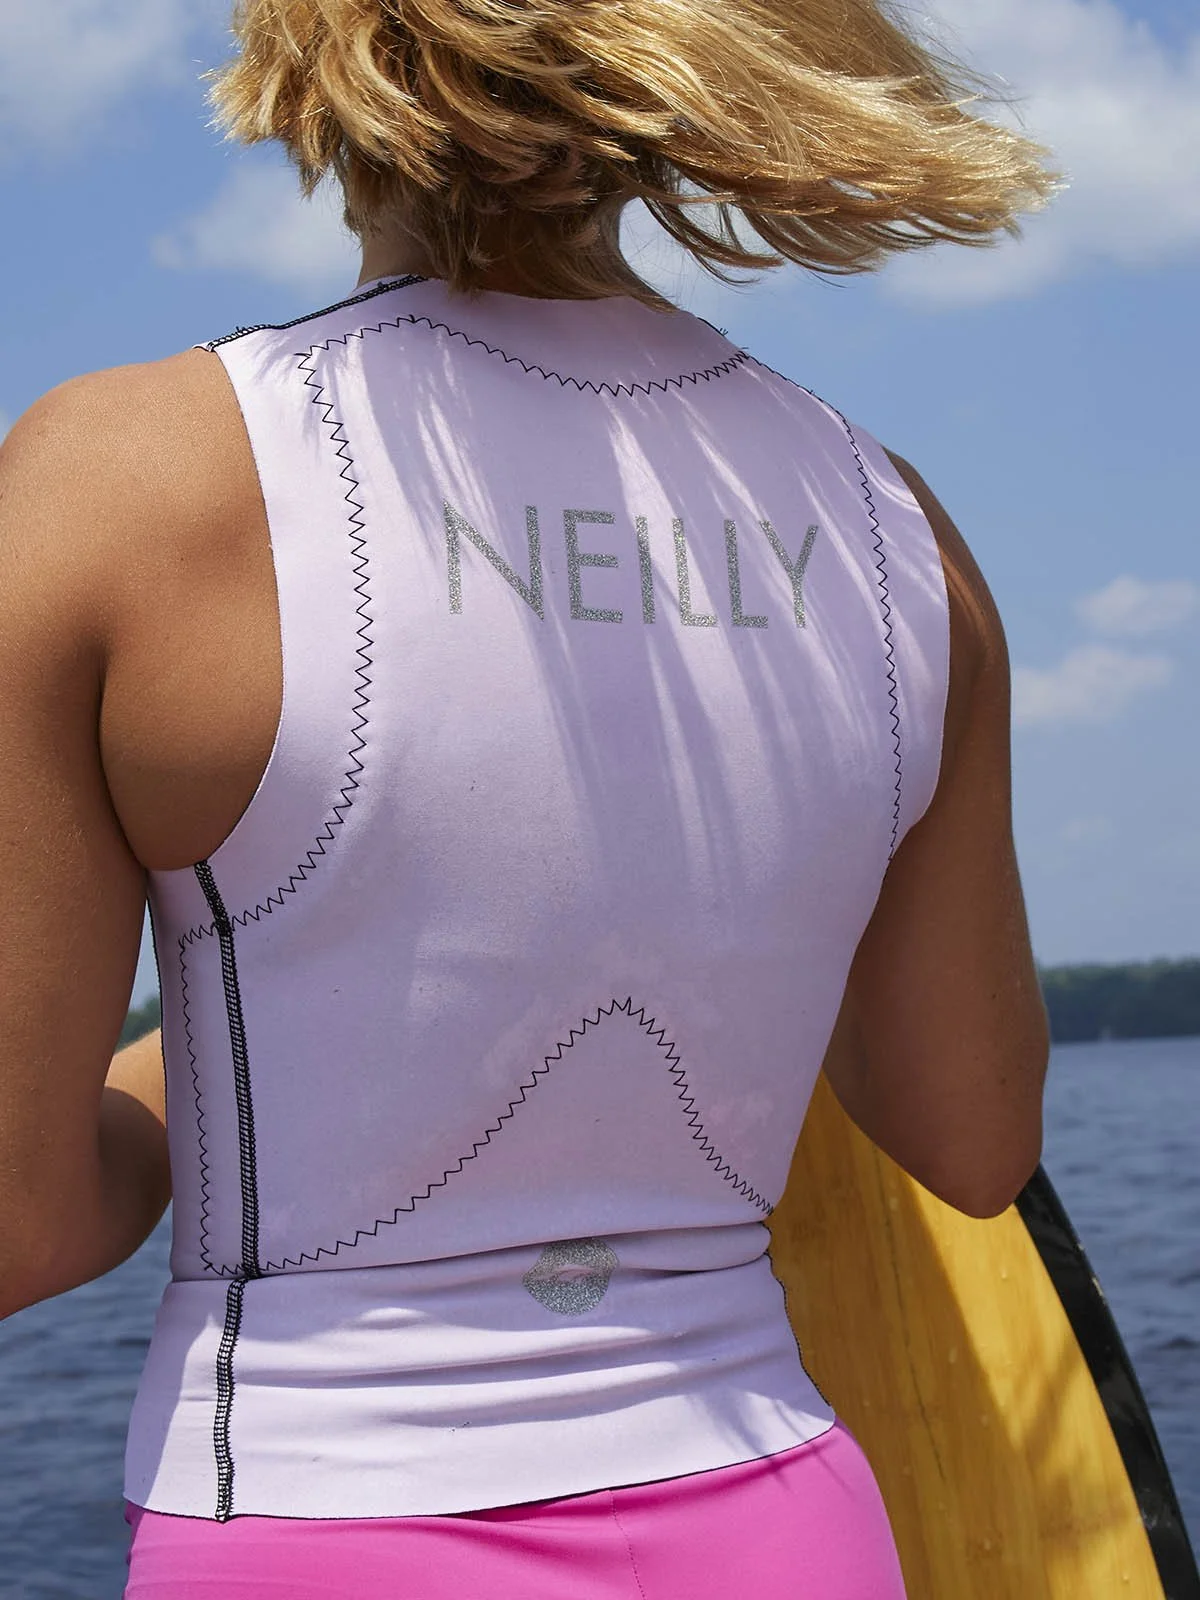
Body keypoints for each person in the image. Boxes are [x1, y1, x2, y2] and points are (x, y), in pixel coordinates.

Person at [0, 0, 1053, 1595]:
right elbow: (972, 1142)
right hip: (780, 1517)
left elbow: (17, 1224)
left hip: (310, 1518)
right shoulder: (896, 522)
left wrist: (190, 1089)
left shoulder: (124, 482)